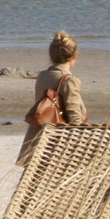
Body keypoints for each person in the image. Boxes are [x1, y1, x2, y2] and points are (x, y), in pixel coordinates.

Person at [17, 31, 89, 166]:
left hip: (38, 134)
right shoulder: (69, 80)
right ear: (74, 55)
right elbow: (74, 115)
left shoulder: (43, 76)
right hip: (58, 138)